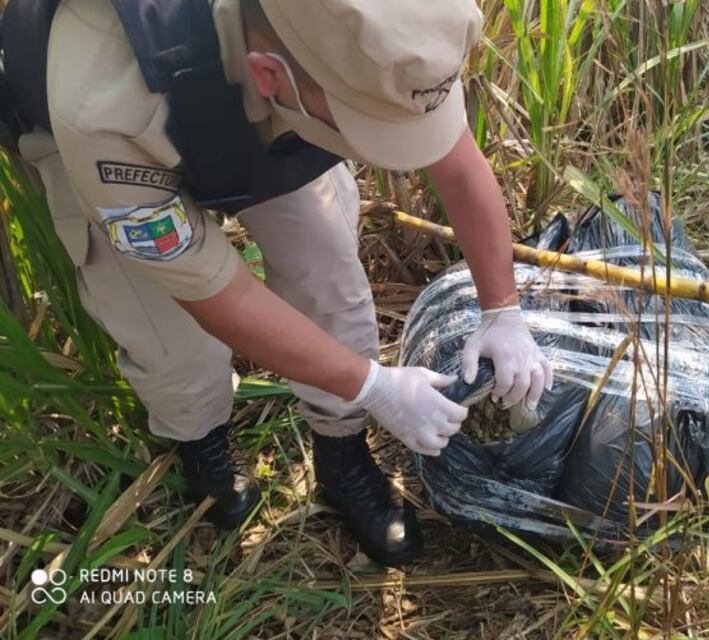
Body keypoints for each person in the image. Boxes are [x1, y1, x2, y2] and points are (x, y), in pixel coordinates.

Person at [19, 0, 553, 567]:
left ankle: (341, 451)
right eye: (368, 129)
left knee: (329, 276)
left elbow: (458, 164)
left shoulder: (381, 32)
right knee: (168, 343)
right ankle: (201, 441)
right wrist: (376, 387)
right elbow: (216, 294)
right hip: (125, 149)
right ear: (270, 75)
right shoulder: (101, 110)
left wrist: (503, 311)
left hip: (281, 108)